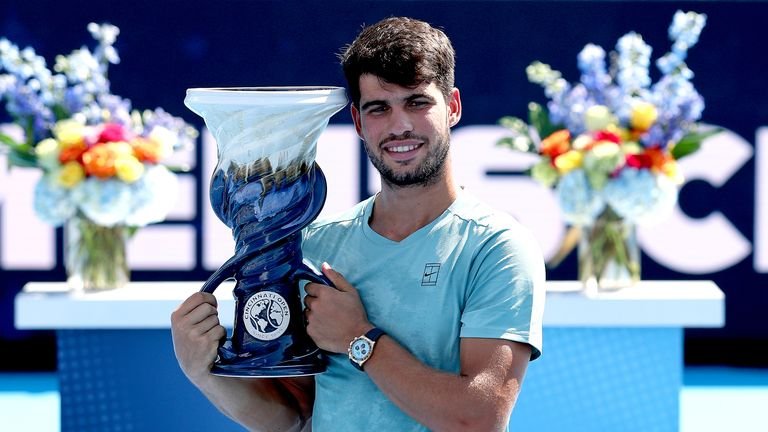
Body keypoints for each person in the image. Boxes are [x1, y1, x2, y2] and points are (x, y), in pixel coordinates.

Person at [171, 16, 545, 432]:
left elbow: (479, 418)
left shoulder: (497, 247)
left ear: (452, 107)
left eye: (417, 102)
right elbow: (294, 417)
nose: (400, 126)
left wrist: (358, 338)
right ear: (358, 121)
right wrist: (203, 372)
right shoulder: (316, 246)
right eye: (379, 108)